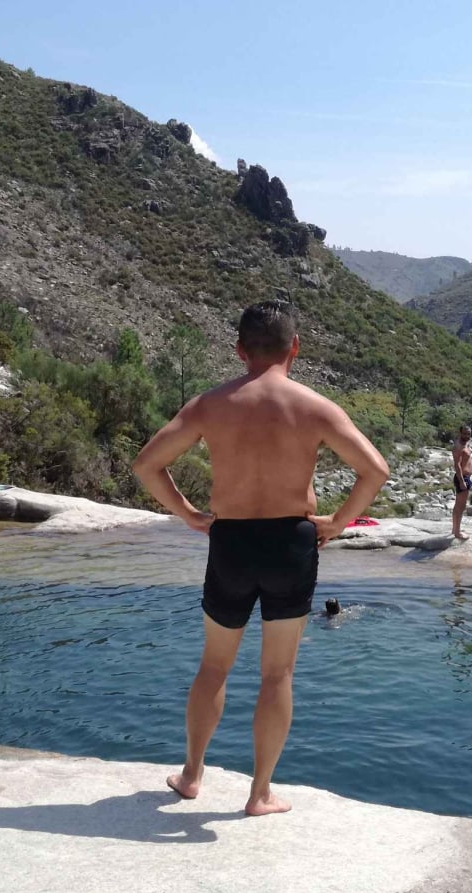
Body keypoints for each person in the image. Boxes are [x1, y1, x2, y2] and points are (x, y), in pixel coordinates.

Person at [133, 301, 389, 817]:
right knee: (277, 674)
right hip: (290, 543)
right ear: (295, 347)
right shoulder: (315, 406)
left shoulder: (210, 404)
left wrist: (187, 513)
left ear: (240, 350)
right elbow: (375, 471)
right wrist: (338, 523)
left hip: (230, 542)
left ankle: (190, 776)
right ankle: (260, 793)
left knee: (213, 665)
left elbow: (147, 466)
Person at [451, 425, 472, 540]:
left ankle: (455, 529)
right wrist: (461, 481)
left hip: (466, 477)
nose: (467, 436)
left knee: (459, 504)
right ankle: (457, 533)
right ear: (460, 433)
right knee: (461, 506)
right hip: (462, 478)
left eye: (468, 434)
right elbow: (457, 465)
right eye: (464, 433)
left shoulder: (466, 444)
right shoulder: (458, 446)